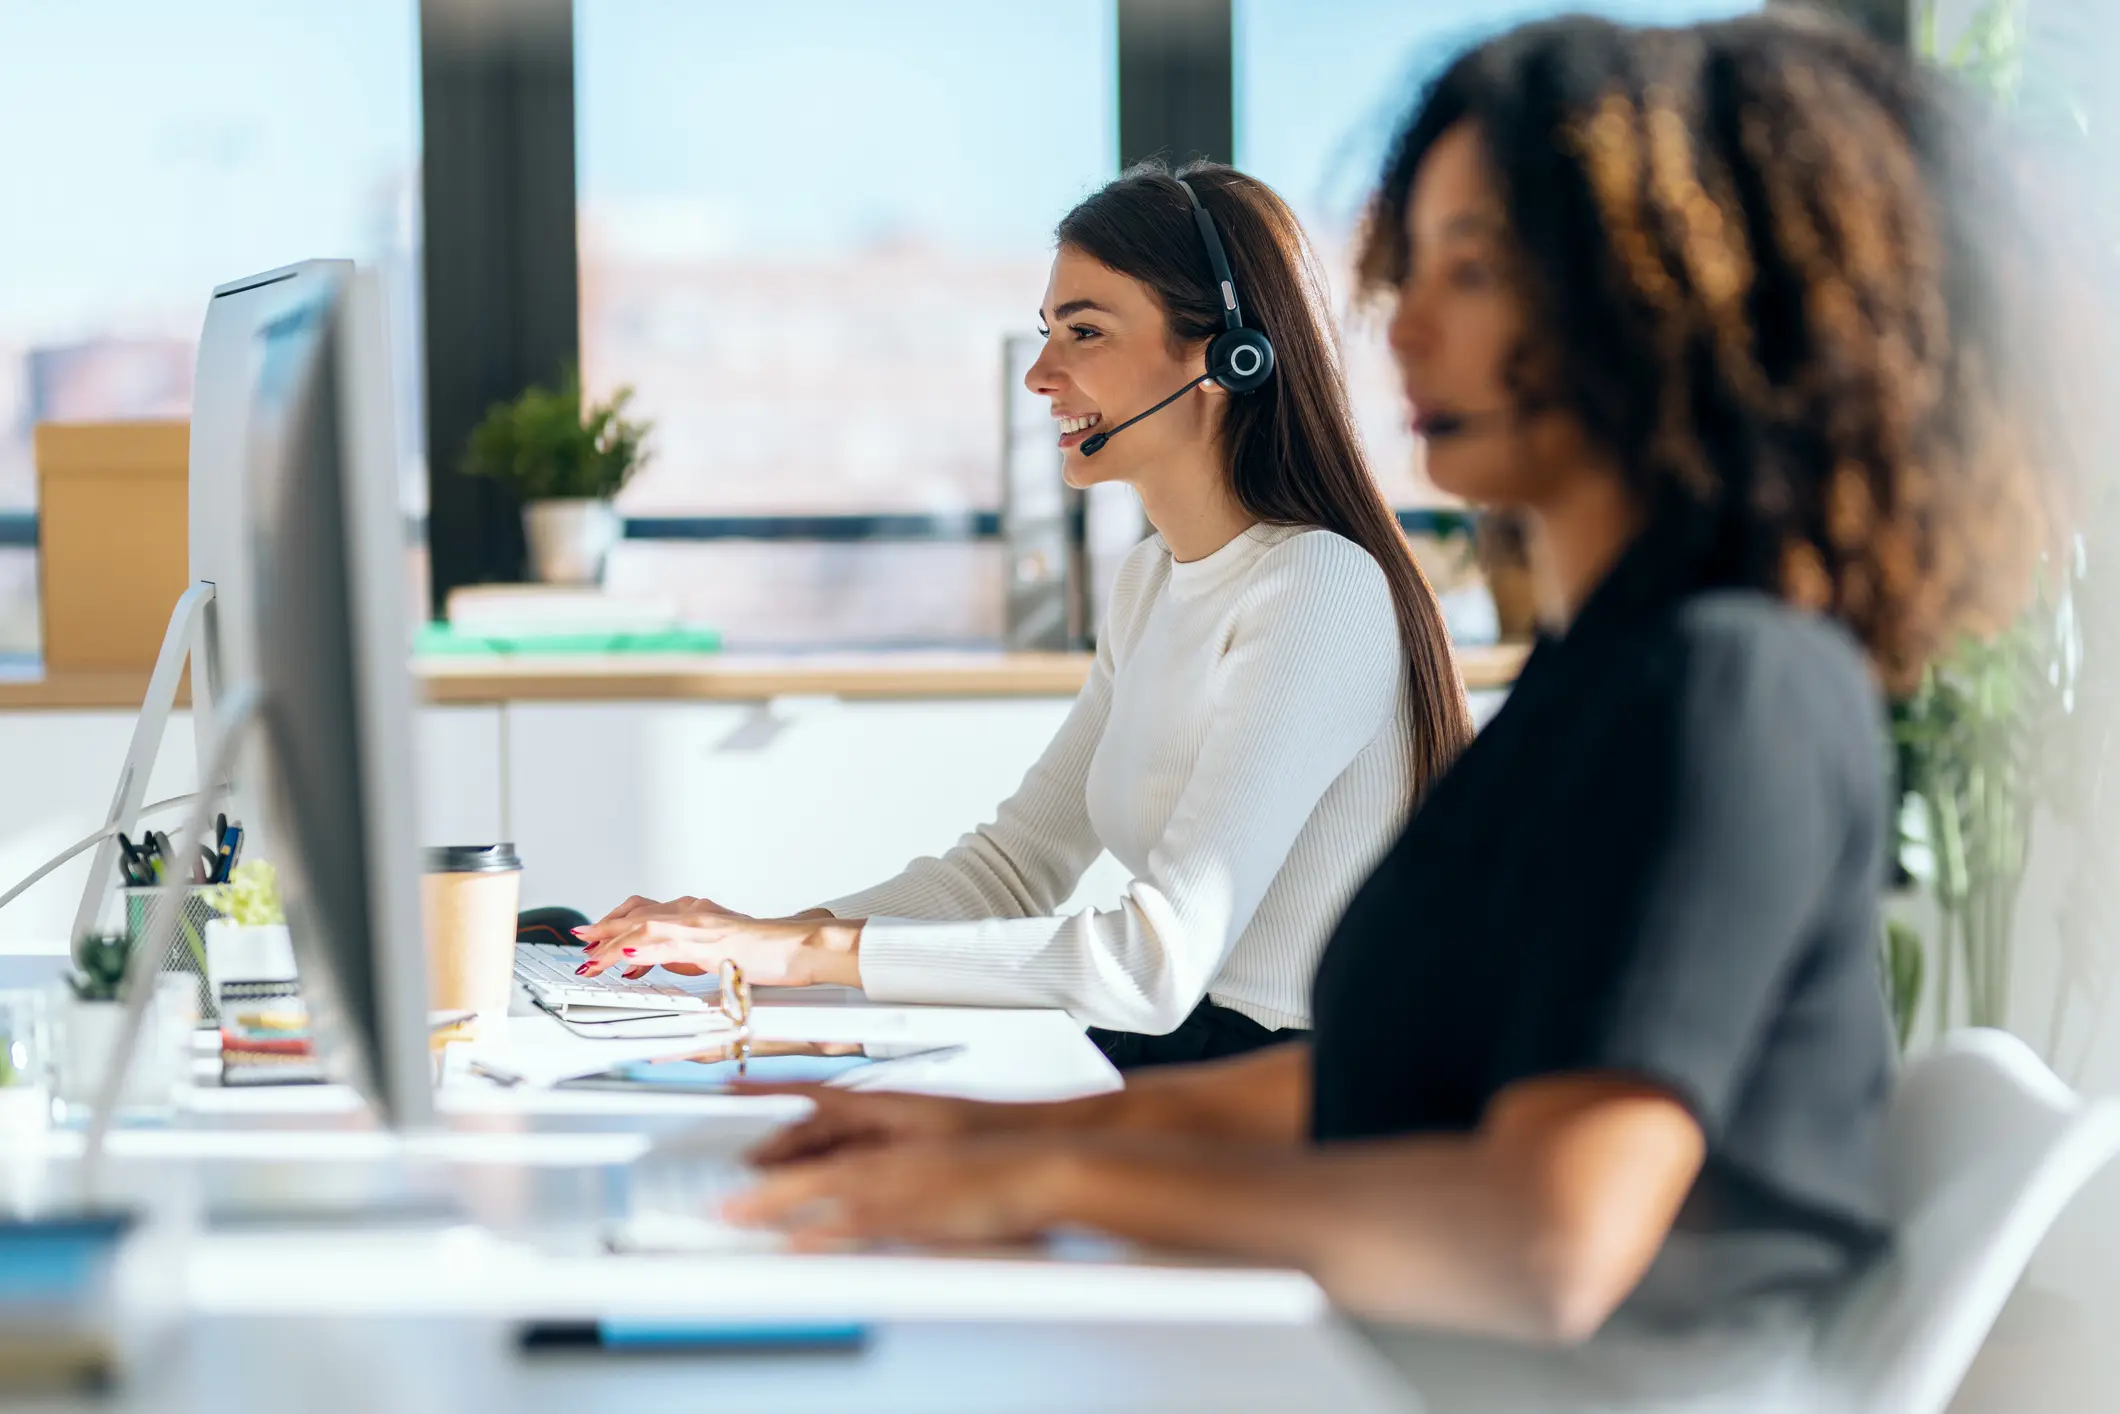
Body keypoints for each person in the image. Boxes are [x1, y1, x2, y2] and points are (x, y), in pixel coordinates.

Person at [716, 9, 2080, 1388]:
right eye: (1410, 265)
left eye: (1473, 271)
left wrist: (1060, 1173)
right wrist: (989, 1138)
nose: (1405, 323)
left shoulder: (1726, 686)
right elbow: (1394, 1076)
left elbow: (1543, 1242)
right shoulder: (1607, 669)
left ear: (1670, 305)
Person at [575, 164, 1474, 1067]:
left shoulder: (1318, 588)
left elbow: (1155, 964)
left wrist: (806, 956)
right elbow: (1016, 868)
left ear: (1228, 354)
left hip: (1276, 1087)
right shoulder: (1152, 582)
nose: (1042, 374)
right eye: (1048, 333)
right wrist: (754, 939)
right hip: (1172, 1055)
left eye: (1084, 332)